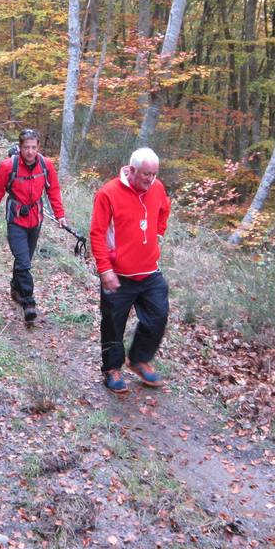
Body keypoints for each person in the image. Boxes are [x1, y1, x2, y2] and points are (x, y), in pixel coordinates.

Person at [89, 147, 171, 394]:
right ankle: (111, 369)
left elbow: (164, 210)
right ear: (132, 170)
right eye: (146, 174)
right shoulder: (109, 193)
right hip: (118, 274)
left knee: (158, 316)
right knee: (113, 324)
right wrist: (105, 270)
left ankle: (138, 359)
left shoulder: (157, 188)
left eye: (154, 174)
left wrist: (157, 233)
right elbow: (97, 234)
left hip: (149, 272)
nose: (151, 179)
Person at [0, 129, 67, 325]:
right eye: (26, 148)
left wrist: (60, 215)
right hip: (15, 219)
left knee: (24, 259)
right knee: (23, 261)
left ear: (38, 147)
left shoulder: (45, 165)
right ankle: (28, 301)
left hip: (36, 218)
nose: (30, 152)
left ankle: (15, 287)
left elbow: (53, 190)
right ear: (20, 148)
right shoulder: (8, 166)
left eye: (33, 147)